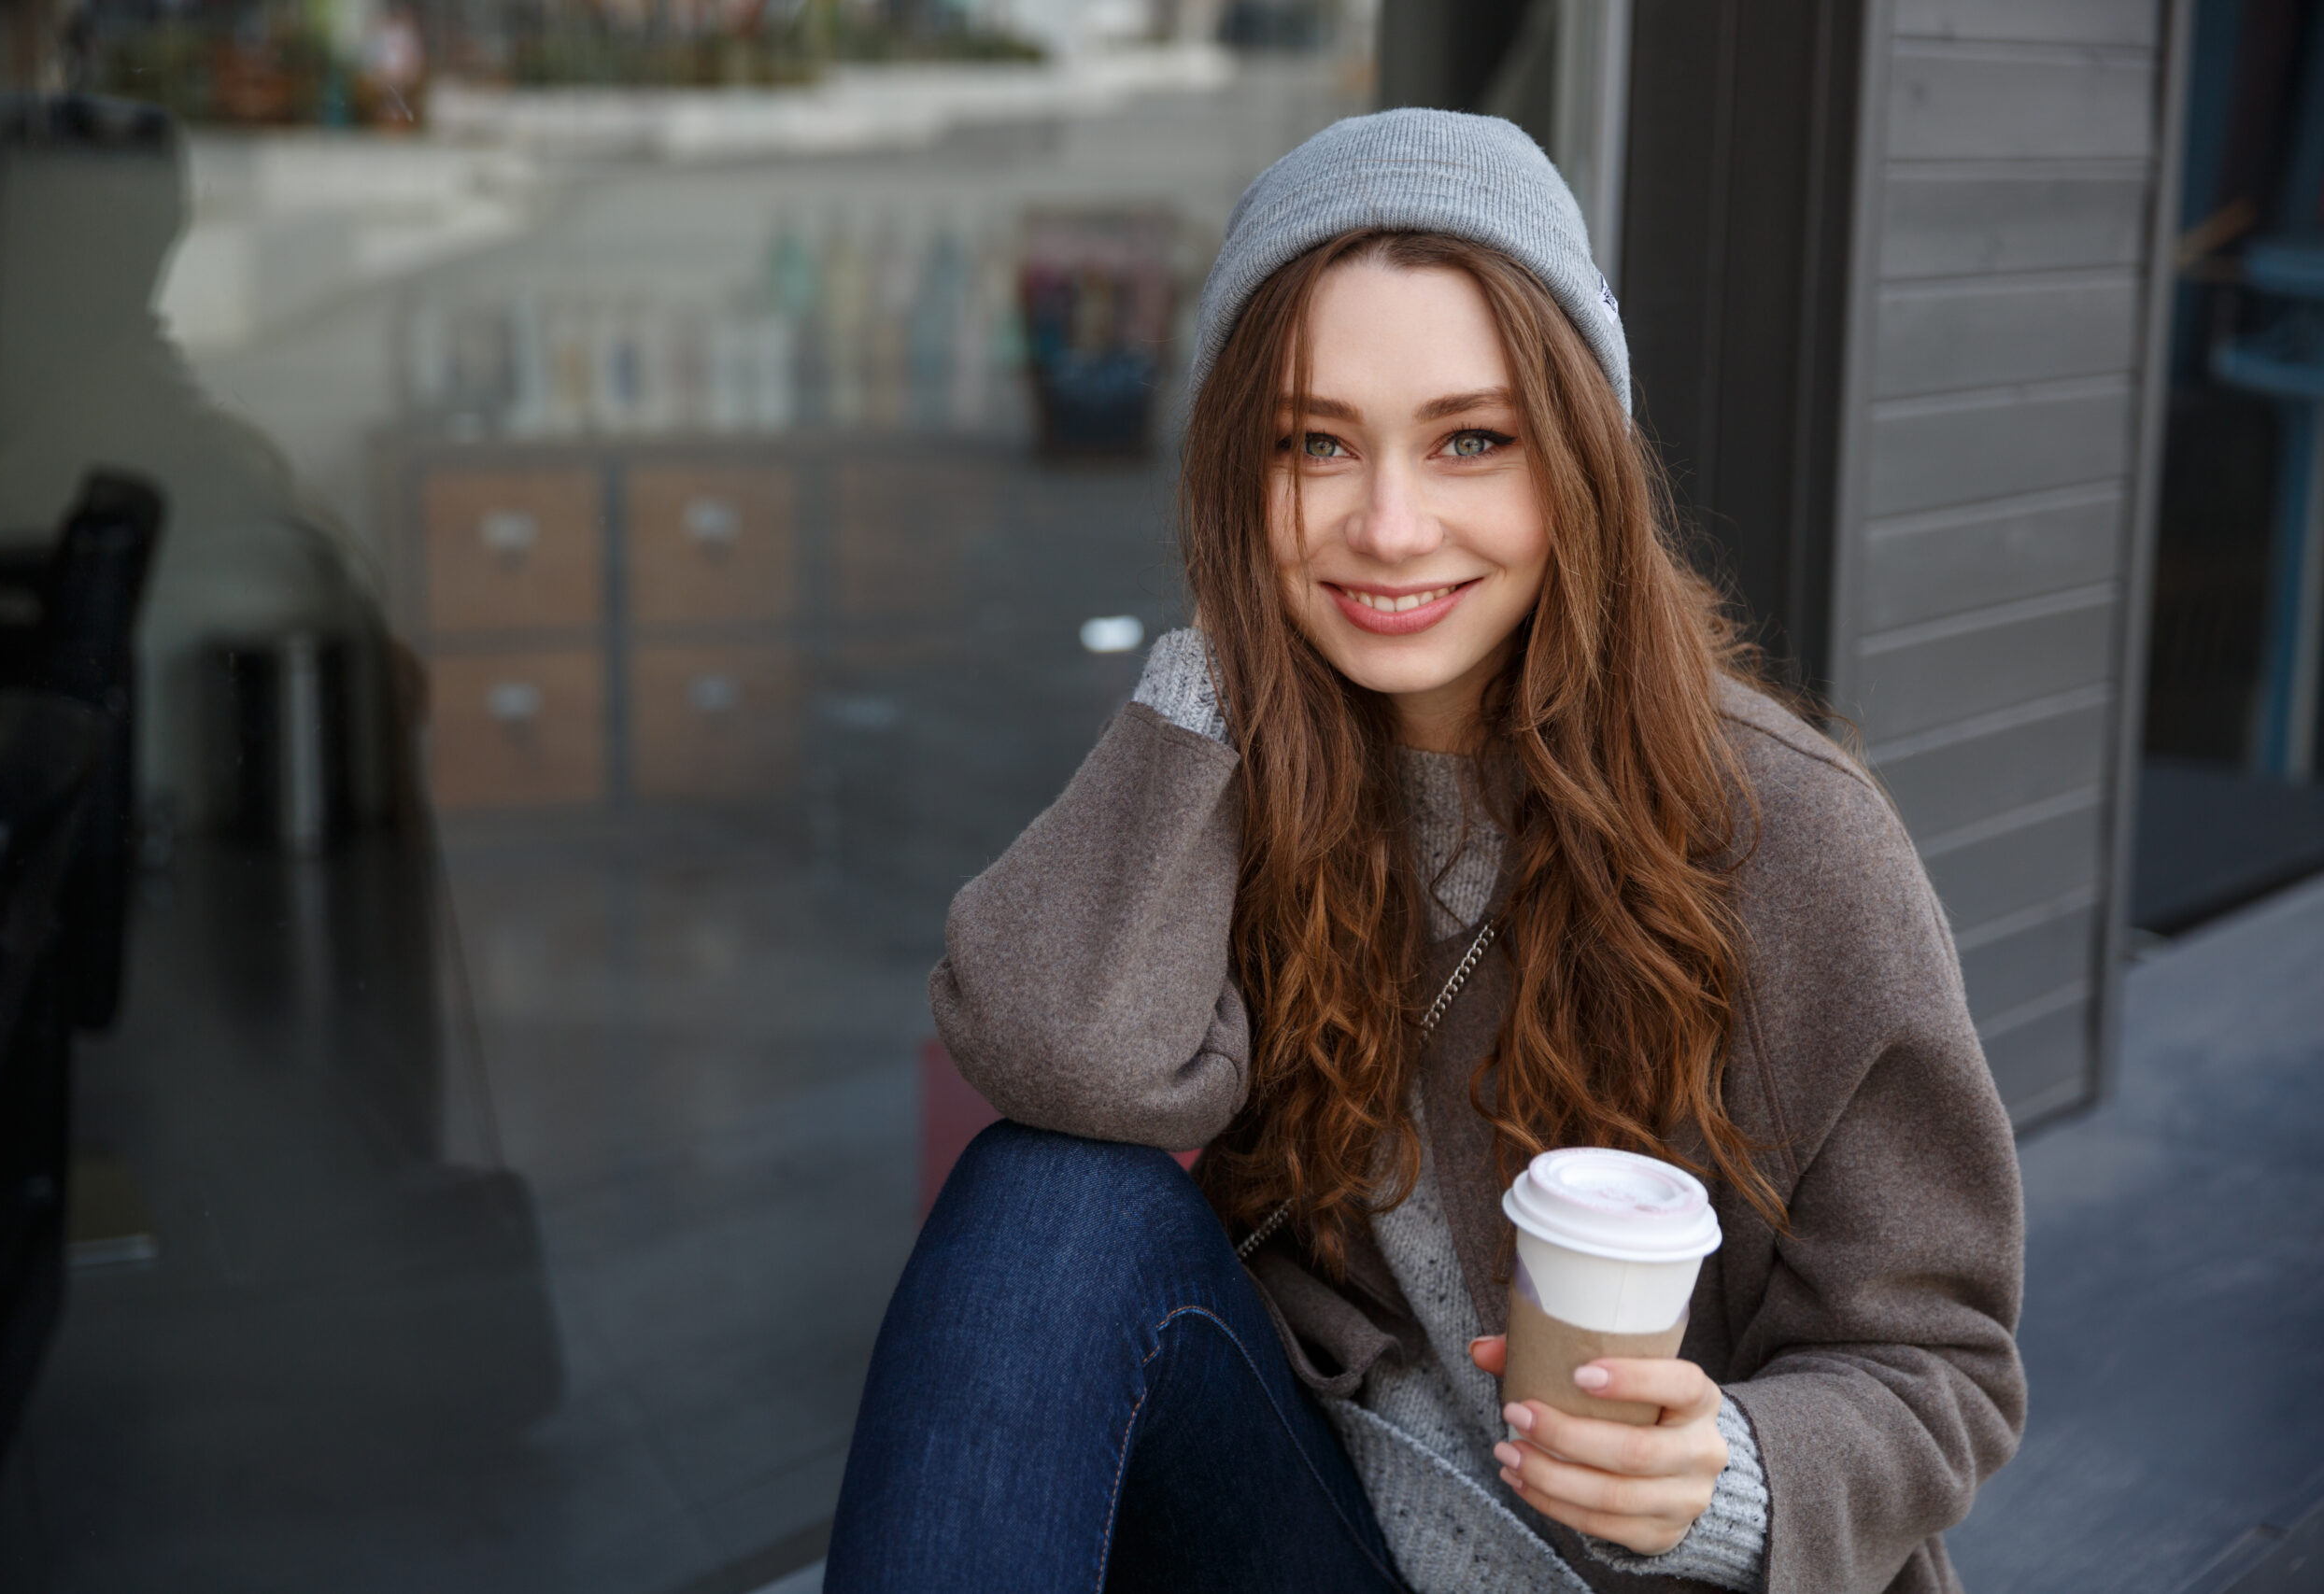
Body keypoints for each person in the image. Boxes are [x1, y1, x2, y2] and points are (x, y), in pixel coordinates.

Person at [824, 108, 2025, 1594]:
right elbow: (1061, 1054)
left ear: (1576, 459)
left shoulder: (1787, 835)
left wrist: (1724, 1476)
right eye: (1314, 444)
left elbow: (1942, 1364)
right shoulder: (1234, 769)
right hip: (1337, 1535)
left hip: (1633, 1576)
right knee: (1050, 1204)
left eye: (1472, 440)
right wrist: (1230, 651)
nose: (1389, 527)